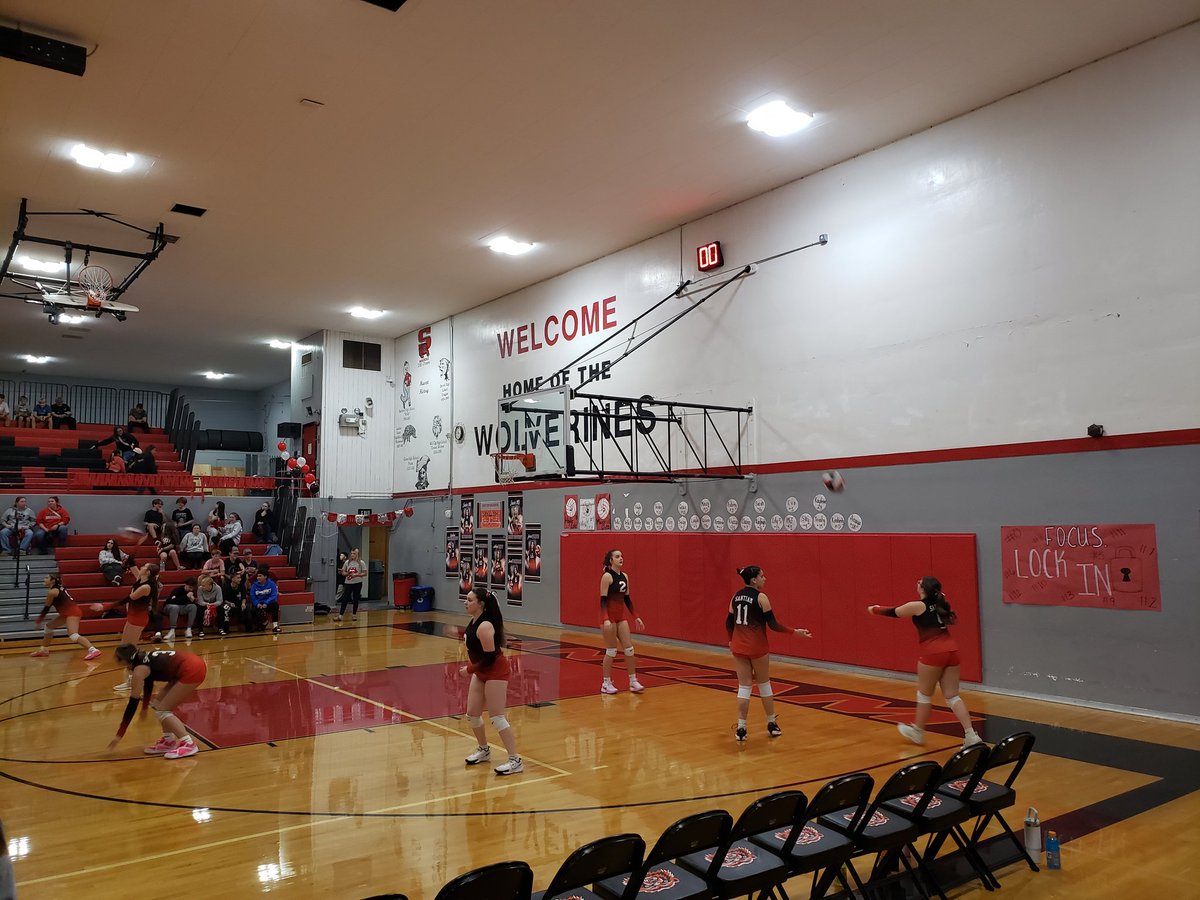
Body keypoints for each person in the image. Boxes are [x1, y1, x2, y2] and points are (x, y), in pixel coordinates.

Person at [869, 576, 983, 749]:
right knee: (953, 696)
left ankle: (918, 732)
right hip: (952, 651)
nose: (917, 583)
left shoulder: (918, 605)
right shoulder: (940, 604)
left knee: (924, 694)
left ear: (923, 588)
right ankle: (971, 735)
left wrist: (874, 609)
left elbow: (895, 612)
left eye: (919, 582)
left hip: (933, 653)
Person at [726, 565, 813, 741]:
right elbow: (773, 625)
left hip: (738, 647)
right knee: (764, 684)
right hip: (757, 647)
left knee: (744, 687)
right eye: (762, 576)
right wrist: (794, 632)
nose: (765, 578)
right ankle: (772, 724)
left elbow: (729, 622)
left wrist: (730, 640)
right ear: (754, 580)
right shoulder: (761, 597)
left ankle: (741, 728)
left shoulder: (735, 596)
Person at [452, 588, 523, 776]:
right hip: (481, 672)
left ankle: (515, 760)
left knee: (497, 717)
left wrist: (469, 669)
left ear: (481, 604)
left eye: (469, 600)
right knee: (472, 715)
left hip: (495, 671)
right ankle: (484, 750)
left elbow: (490, 657)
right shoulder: (474, 620)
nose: (465, 603)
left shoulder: (485, 626)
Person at [106, 644, 206, 759]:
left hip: (192, 669)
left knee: (162, 711)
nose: (114, 659)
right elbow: (149, 681)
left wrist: (119, 734)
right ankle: (168, 741)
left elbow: (132, 704)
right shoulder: (141, 658)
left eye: (116, 657)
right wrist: (144, 708)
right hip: (188, 665)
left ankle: (188, 743)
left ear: (123, 660)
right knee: (158, 705)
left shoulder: (139, 671)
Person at [599, 548, 646, 695]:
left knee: (629, 649)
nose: (621, 558)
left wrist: (636, 616)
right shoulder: (607, 577)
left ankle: (633, 681)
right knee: (611, 650)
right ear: (611, 560)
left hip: (621, 617)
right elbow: (603, 601)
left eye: (622, 556)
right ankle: (606, 683)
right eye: (617, 556)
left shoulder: (625, 576)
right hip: (609, 618)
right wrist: (606, 619)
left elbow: (627, 599)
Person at [110, 563, 161, 691]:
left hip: (138, 618)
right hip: (133, 617)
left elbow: (129, 598)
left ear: (148, 572)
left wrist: (106, 607)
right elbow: (132, 564)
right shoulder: (141, 579)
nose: (142, 566)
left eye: (145, 566)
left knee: (129, 651)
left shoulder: (146, 586)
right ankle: (143, 674)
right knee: (126, 648)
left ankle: (133, 680)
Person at [29, 573, 103, 660]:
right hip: (67, 613)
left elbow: (46, 608)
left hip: (72, 612)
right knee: (48, 627)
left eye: (46, 578)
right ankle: (43, 650)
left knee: (73, 635)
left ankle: (93, 650)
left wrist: (39, 620)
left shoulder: (52, 592)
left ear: (53, 580)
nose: (44, 579)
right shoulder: (58, 588)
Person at [156, 576, 198, 642]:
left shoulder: (193, 592)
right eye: (190, 587)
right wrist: (186, 597)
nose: (191, 589)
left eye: (192, 588)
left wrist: (193, 601)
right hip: (169, 607)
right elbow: (172, 601)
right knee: (175, 607)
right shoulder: (178, 590)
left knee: (193, 607)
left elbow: (192, 603)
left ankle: (189, 629)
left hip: (182, 608)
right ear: (186, 585)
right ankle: (172, 630)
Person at [335, 548, 366, 622]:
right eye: (351, 553)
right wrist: (348, 573)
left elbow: (365, 573)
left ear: (357, 554)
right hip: (348, 583)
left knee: (355, 599)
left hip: (357, 583)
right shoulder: (347, 562)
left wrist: (357, 575)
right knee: (345, 599)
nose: (352, 555)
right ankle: (340, 615)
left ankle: (354, 615)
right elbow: (343, 572)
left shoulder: (361, 563)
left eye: (354, 553)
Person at [248, 566, 281, 634]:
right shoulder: (254, 585)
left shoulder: (272, 584)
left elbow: (274, 595)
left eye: (260, 576)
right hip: (259, 604)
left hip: (268, 604)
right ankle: (260, 624)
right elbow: (253, 596)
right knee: (253, 610)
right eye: (257, 576)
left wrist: (266, 602)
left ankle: (275, 626)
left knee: (275, 605)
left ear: (265, 577)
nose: (258, 578)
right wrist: (257, 604)